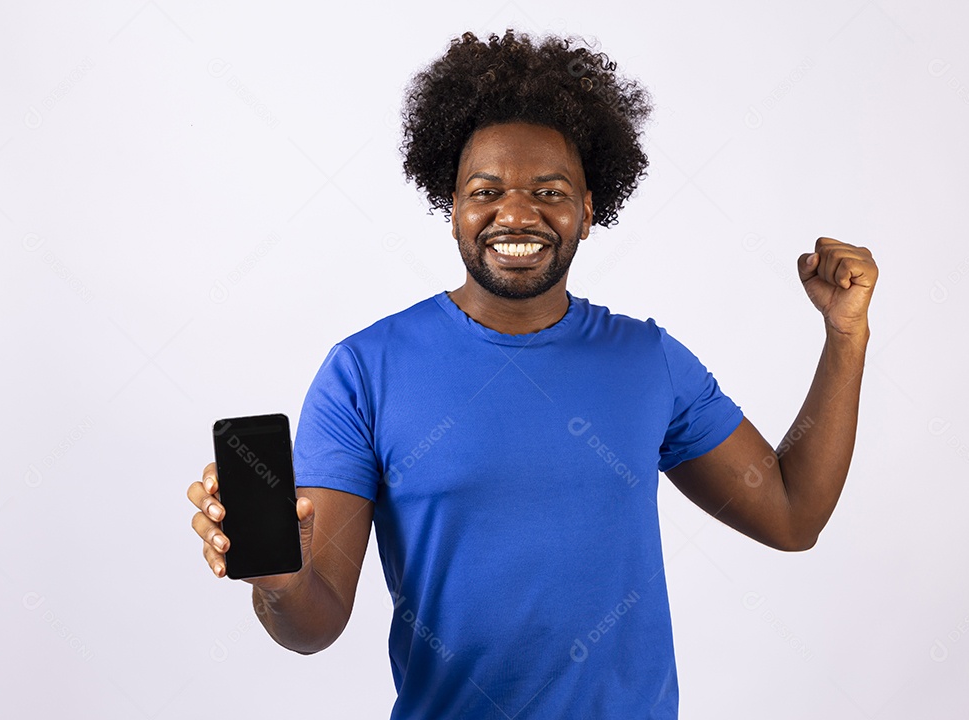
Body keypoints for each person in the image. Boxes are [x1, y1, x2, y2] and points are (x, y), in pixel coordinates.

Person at [188, 29, 878, 719]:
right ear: (452, 207)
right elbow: (315, 624)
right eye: (486, 190)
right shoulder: (364, 372)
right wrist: (279, 581)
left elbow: (792, 515)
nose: (516, 213)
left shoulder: (648, 360)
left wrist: (845, 336)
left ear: (587, 213)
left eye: (548, 191)